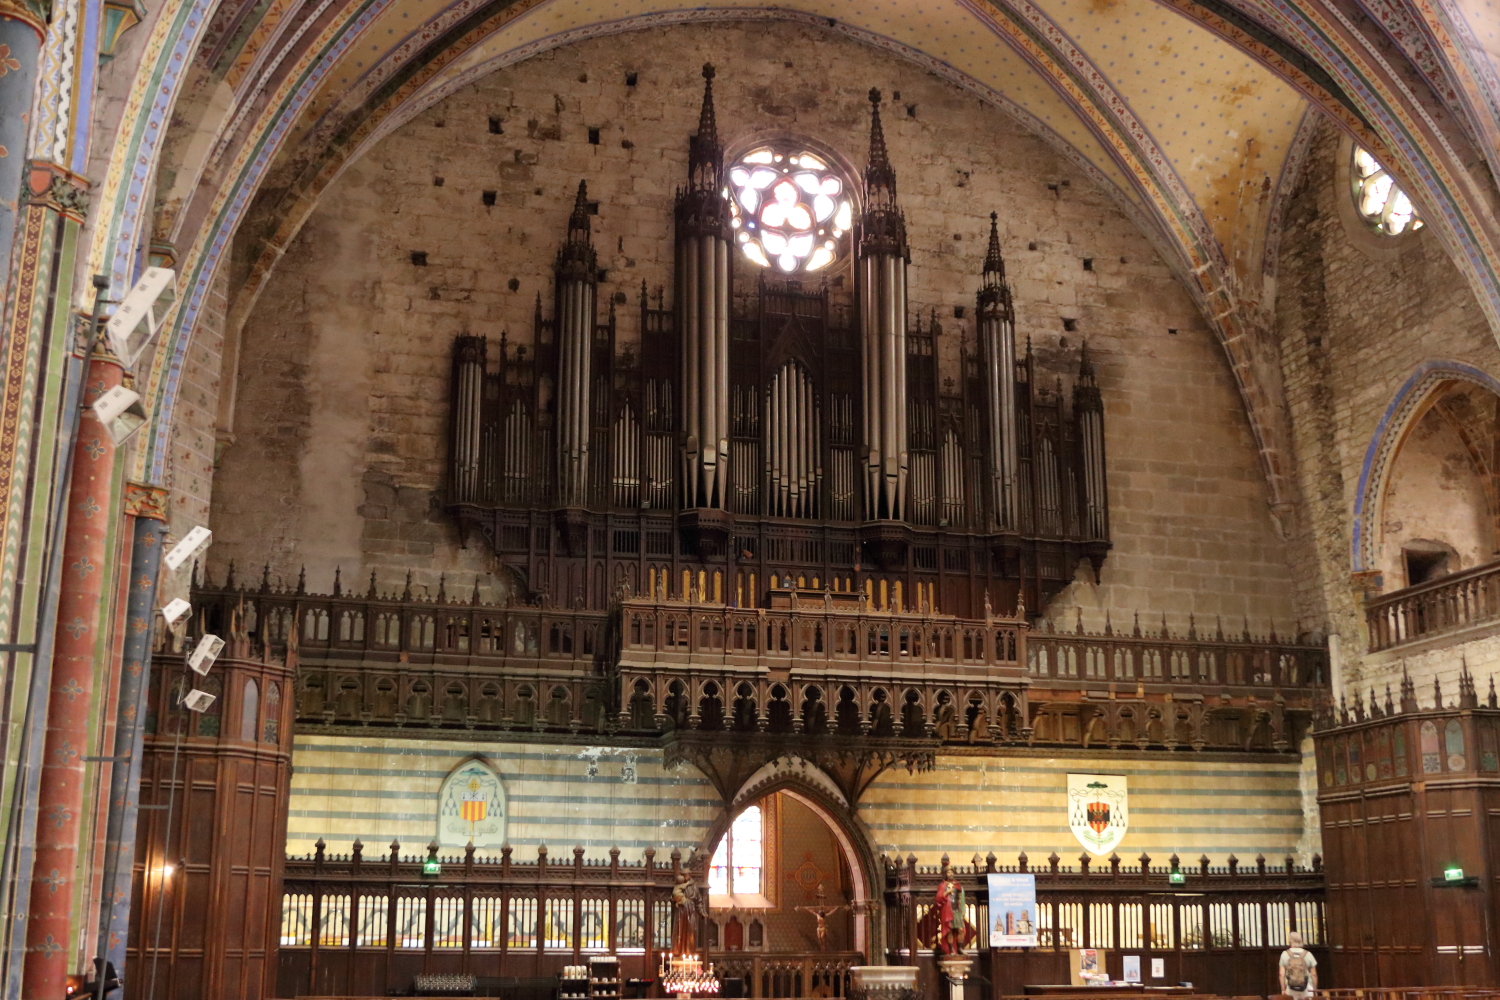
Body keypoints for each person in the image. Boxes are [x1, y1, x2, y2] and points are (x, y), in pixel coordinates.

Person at [1278, 931, 1317, 999]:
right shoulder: (1308, 954)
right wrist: (1315, 990)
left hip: (1291, 988)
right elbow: (1314, 975)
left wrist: (1283, 989)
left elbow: (1281, 974)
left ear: (1290, 941)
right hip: (1307, 988)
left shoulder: (1284, 954)